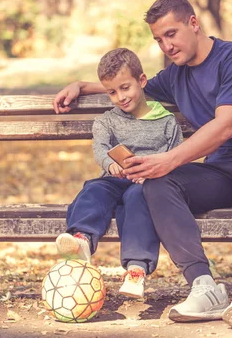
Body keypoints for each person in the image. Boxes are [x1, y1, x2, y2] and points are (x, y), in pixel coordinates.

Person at [53, 0, 232, 330]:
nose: (166, 45)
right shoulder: (176, 76)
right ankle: (204, 286)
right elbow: (129, 85)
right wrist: (79, 86)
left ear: (193, 23)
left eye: (171, 34)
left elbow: (225, 125)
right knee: (158, 183)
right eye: (159, 39)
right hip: (222, 170)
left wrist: (170, 158)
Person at [55, 47, 183, 300]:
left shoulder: (167, 122)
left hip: (148, 184)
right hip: (114, 179)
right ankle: (80, 240)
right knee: (93, 189)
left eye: (125, 88)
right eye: (112, 92)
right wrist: (110, 164)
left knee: (138, 200)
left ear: (142, 81)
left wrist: (154, 174)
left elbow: (177, 157)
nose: (120, 97)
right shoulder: (107, 121)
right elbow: (100, 148)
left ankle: (136, 269)